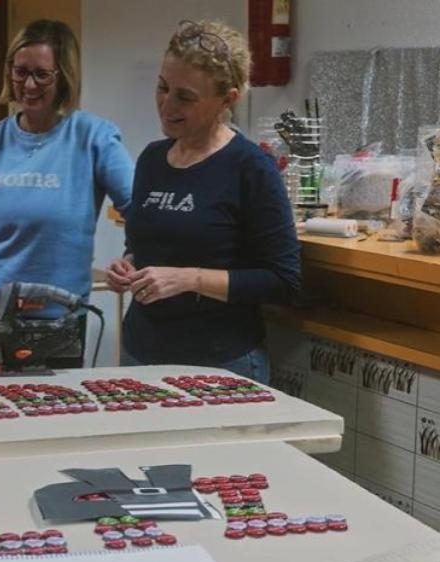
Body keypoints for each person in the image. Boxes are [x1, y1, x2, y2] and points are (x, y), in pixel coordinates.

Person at [106, 20, 301, 384]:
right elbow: (144, 246)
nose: (167, 104)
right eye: (162, 87)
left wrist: (190, 279)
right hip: (141, 353)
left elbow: (282, 282)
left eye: (185, 97)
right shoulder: (152, 159)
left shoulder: (251, 168)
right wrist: (128, 265)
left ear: (228, 99)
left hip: (219, 363)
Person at [0, 19, 134, 373]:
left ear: (64, 77)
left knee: (53, 407)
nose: (28, 85)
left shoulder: (94, 137)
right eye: (20, 72)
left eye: (42, 75)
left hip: (58, 319)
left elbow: (142, 212)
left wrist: (131, 258)